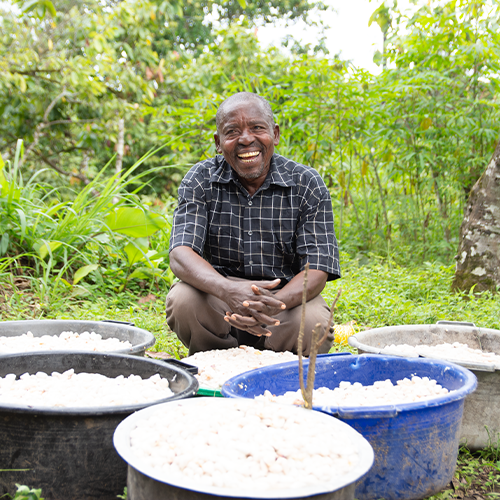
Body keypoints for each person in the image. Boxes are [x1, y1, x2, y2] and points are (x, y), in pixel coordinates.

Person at [166, 92, 340, 356]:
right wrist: (228, 291)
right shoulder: (200, 179)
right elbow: (180, 254)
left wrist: (271, 304)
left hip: (283, 304)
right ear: (218, 142)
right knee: (183, 300)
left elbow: (316, 269)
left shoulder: (306, 183)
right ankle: (215, 365)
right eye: (232, 131)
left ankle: (283, 376)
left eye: (257, 128)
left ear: (276, 134)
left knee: (314, 321)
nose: (246, 139)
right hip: (219, 300)